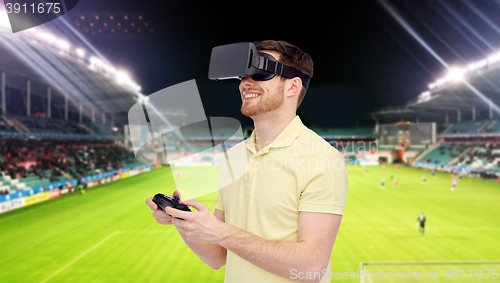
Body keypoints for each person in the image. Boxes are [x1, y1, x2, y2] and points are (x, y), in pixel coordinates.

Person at [146, 40, 348, 283]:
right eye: (243, 75)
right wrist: (184, 221)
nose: (245, 82)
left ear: (293, 86)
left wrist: (222, 232)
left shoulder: (322, 158)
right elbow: (218, 257)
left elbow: (311, 267)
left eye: (261, 73)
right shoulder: (234, 156)